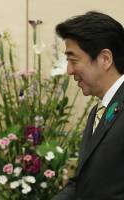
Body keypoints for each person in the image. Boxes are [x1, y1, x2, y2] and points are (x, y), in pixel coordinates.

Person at [52, 11, 124, 200]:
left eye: (73, 60)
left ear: (105, 59)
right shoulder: (97, 112)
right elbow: (84, 183)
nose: (69, 70)